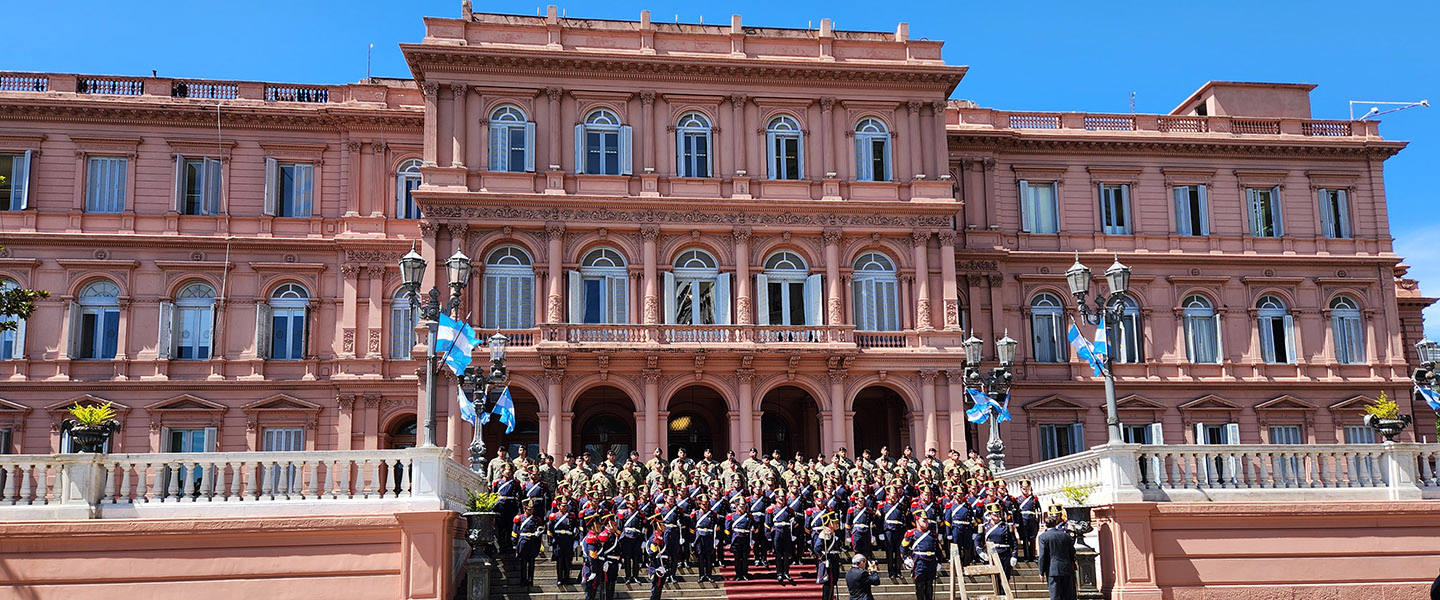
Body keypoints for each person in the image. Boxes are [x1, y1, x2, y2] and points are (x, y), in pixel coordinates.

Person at [1038, 513, 1078, 600]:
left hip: (1052, 570)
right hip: (1066, 568)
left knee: (1055, 595)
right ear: (1056, 524)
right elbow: (1072, 551)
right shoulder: (1065, 535)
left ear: (1045, 525)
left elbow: (1042, 555)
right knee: (1068, 595)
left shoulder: (1043, 537)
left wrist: (1041, 571)